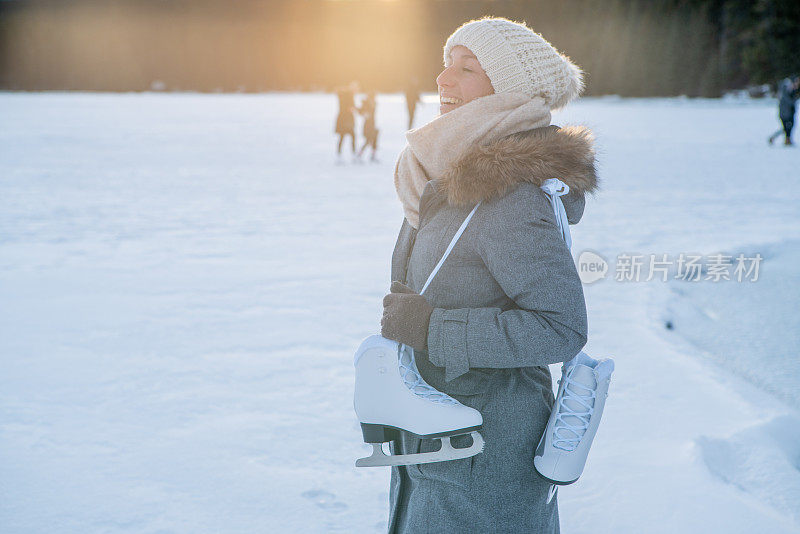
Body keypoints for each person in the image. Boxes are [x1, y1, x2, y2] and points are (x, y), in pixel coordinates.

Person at [379, 17, 599, 533]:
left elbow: (561, 326)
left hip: (483, 464)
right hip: (433, 446)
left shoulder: (510, 198)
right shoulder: (441, 179)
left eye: (467, 68)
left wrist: (434, 331)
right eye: (445, 63)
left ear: (508, 91)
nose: (443, 79)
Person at [768, 75, 799, 146]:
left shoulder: (791, 90)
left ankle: (782, 139)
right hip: (785, 113)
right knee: (787, 127)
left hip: (790, 112)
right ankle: (785, 139)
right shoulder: (785, 90)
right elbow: (788, 101)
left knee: (788, 127)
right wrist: (795, 99)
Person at [334, 81, 358, 162]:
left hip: (347, 120)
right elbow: (347, 107)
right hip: (344, 120)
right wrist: (351, 109)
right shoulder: (347, 95)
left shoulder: (348, 95)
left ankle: (345, 155)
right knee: (344, 137)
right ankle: (341, 155)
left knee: (348, 137)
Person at [356, 91, 380, 162]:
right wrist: (364, 113)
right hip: (367, 125)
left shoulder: (373, 103)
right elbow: (360, 111)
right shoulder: (366, 103)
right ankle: (359, 154)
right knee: (368, 140)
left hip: (373, 124)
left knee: (374, 139)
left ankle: (372, 155)